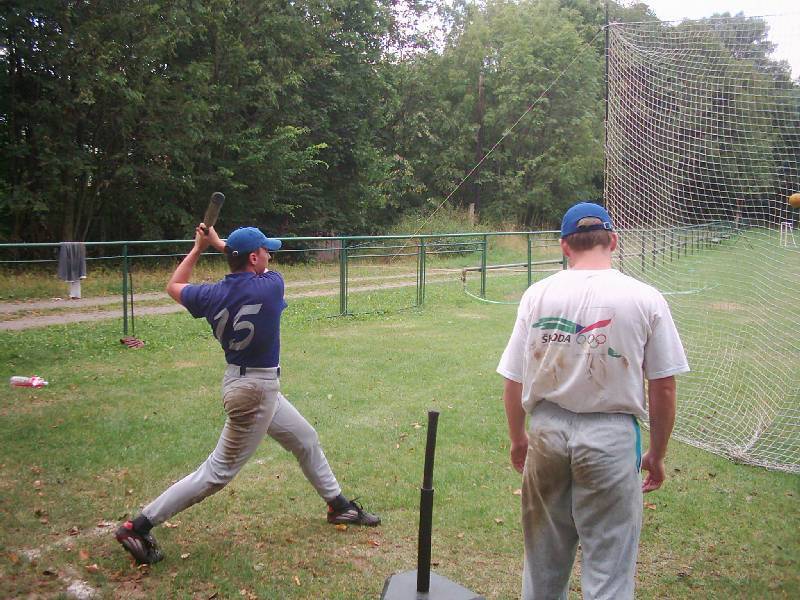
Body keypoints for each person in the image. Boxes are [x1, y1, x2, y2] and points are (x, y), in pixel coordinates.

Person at [116, 224, 380, 565]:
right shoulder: (272, 285)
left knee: (305, 438)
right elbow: (256, 264)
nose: (270, 255)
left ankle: (339, 506)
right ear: (254, 258)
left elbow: (173, 286)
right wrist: (220, 243)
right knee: (216, 473)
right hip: (256, 391)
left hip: (245, 384)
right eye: (265, 251)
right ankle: (138, 525)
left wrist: (200, 248)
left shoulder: (212, 294)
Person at [496, 202, 689, 600]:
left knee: (543, 563)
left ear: (565, 246)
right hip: (612, 438)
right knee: (609, 566)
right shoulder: (644, 298)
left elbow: (514, 378)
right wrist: (656, 452)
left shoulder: (538, 295)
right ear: (613, 241)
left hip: (547, 433)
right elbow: (663, 385)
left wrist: (519, 438)